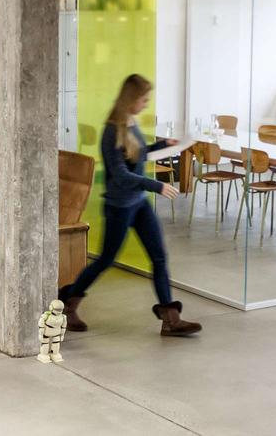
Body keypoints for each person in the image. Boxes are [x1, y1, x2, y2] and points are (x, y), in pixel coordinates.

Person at [58, 74, 202, 337]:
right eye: (143, 99)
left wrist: (163, 144)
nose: (146, 104)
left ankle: (171, 320)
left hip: (138, 203)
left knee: (159, 256)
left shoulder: (130, 122)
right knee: (106, 259)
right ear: (131, 99)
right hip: (120, 206)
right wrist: (156, 185)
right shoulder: (112, 131)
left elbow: (136, 153)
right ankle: (69, 305)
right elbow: (121, 174)